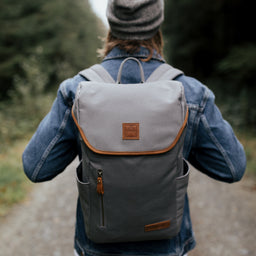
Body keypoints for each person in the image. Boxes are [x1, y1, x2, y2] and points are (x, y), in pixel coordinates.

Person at [22, 0, 246, 255]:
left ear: (111, 24)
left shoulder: (76, 91)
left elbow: (35, 167)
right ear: (157, 25)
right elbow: (232, 167)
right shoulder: (190, 93)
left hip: (97, 246)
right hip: (166, 246)